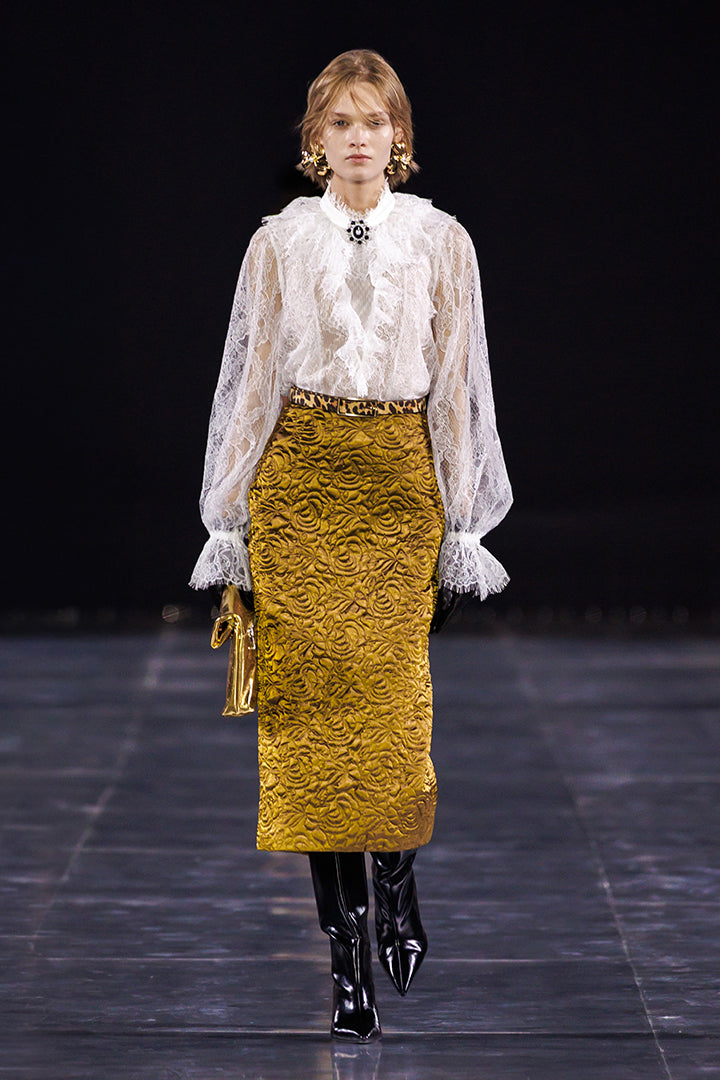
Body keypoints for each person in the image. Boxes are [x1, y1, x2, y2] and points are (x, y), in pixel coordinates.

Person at [190, 49, 513, 1041]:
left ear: (399, 136)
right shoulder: (279, 243)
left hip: (396, 488)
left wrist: (461, 523)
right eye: (341, 122)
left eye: (375, 120)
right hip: (300, 487)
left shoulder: (442, 240)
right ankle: (346, 961)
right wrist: (228, 518)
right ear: (315, 139)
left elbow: (458, 386)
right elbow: (251, 381)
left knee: (390, 713)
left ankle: (398, 876)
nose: (359, 137)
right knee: (309, 729)